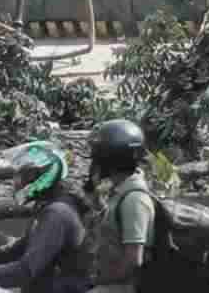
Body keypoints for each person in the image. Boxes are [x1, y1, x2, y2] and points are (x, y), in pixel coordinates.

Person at [0, 141, 93, 293]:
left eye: (21, 177)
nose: (16, 182)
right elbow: (23, 246)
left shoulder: (56, 214)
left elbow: (25, 271)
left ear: (39, 178)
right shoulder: (50, 204)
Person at [84, 119, 154, 293]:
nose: (94, 163)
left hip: (124, 286)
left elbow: (133, 260)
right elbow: (110, 226)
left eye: (98, 157)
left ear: (109, 159)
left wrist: (99, 282)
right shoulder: (121, 191)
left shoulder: (134, 199)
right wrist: (93, 193)